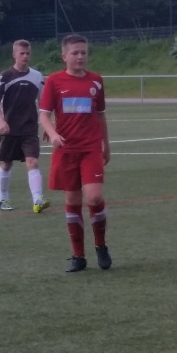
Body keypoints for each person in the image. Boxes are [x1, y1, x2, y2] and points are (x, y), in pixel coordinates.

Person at [38, 34, 111, 273]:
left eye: (83, 53)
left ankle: (101, 246)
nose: (80, 57)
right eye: (75, 53)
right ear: (64, 56)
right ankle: (78, 255)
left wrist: (106, 144)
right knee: (72, 201)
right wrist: (53, 134)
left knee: (94, 198)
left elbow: (100, 114)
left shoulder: (96, 81)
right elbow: (44, 114)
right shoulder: (54, 81)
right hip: (66, 149)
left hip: (90, 148)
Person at [0, 40, 49, 213]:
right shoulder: (5, 76)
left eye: (28, 53)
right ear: (14, 54)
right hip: (10, 128)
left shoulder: (37, 76)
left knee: (33, 162)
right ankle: (3, 197)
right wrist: (1, 121)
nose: (25, 56)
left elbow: (44, 103)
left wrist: (47, 125)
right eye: (22, 53)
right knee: (6, 164)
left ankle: (38, 200)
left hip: (30, 128)